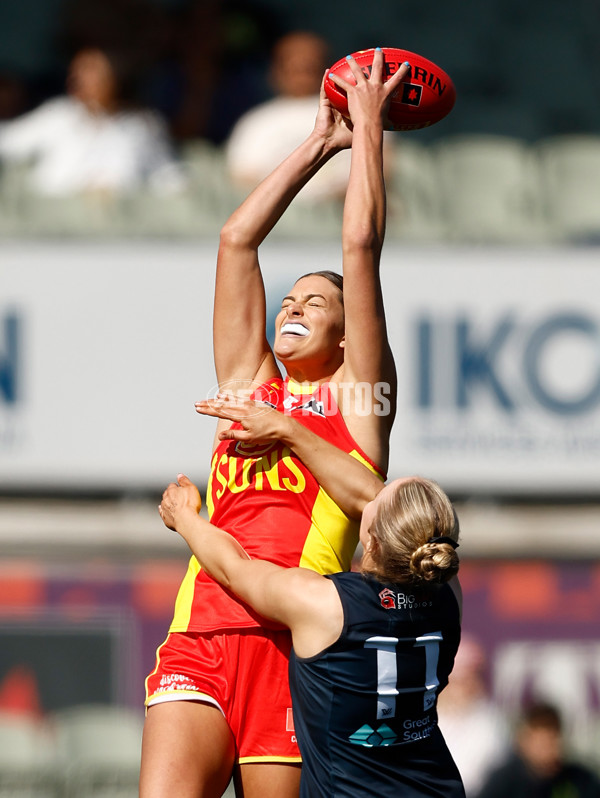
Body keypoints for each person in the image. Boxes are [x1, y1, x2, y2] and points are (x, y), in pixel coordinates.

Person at [140, 49, 411, 798]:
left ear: (351, 337)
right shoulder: (249, 383)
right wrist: (319, 143)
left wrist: (368, 132)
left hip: (298, 647)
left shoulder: (359, 400)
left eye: (313, 303)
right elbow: (236, 240)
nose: (292, 307)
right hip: (203, 633)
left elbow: (361, 248)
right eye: (288, 299)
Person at [158, 471, 465, 798]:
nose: (369, 497)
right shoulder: (450, 598)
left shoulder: (324, 604)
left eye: (375, 500)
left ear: (372, 539)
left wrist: (184, 517)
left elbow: (233, 569)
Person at [0, 46, 184, 196]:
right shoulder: (58, 115)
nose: (78, 79)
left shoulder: (143, 125)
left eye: (90, 71)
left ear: (115, 77)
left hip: (122, 229)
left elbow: (168, 176)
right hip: (54, 225)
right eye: (75, 72)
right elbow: (9, 141)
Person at [225, 31, 354, 202]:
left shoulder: (353, 114)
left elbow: (380, 168)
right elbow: (242, 180)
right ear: (275, 72)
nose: (301, 76)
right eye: (293, 68)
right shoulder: (255, 121)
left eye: (309, 68)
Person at [436, 635, 511, 796]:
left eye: (470, 677)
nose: (464, 687)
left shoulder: (491, 722)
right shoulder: (424, 721)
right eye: (457, 679)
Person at [477, 701, 600, 798]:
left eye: (552, 740)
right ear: (523, 742)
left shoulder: (582, 780)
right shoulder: (503, 782)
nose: (548, 750)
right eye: (541, 743)